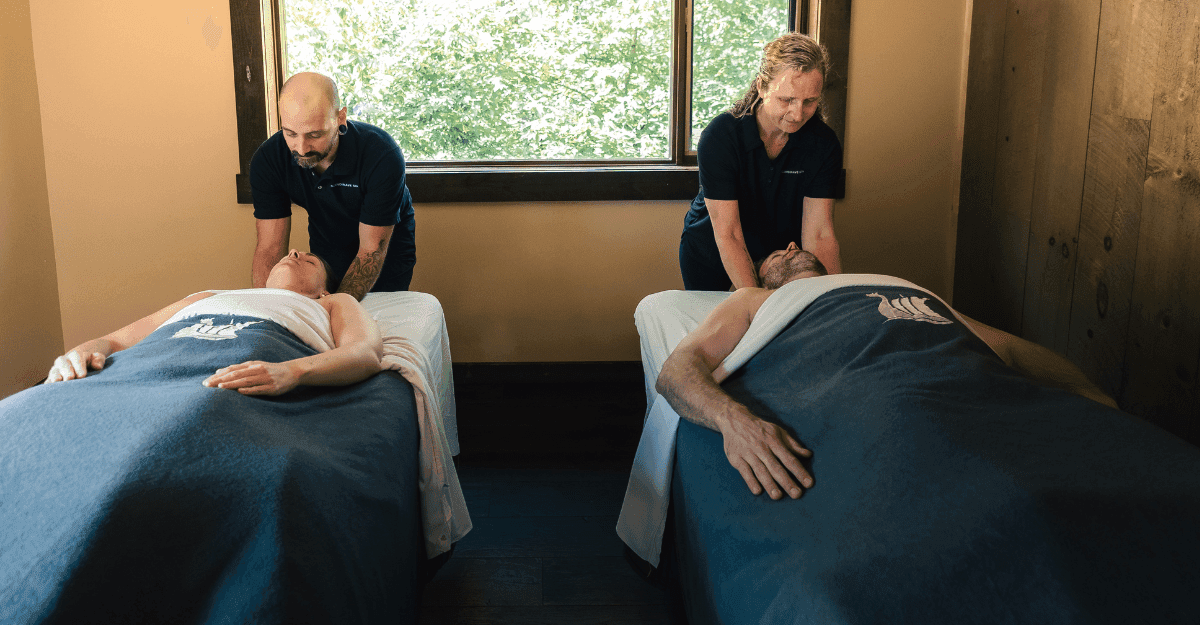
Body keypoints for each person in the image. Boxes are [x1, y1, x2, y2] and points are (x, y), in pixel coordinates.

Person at [657, 242, 1118, 501]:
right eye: (778, 252)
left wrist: (1085, 393)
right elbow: (677, 370)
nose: (792, 245)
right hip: (879, 399)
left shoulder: (897, 286)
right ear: (762, 279)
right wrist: (734, 422)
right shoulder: (756, 301)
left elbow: (1009, 350)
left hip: (968, 385)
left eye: (794, 244)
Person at [46, 249, 383, 395]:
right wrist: (79, 352)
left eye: (308, 260)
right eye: (290, 253)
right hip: (156, 362)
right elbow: (115, 342)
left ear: (322, 290)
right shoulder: (208, 295)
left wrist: (293, 371)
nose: (294, 253)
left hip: (248, 360)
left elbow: (365, 352)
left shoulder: (333, 303)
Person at [680, 32, 843, 291]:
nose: (798, 113)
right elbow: (729, 233)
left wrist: (831, 299)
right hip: (714, 248)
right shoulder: (721, 137)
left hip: (777, 253)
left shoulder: (822, 144)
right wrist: (755, 301)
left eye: (809, 101)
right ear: (761, 87)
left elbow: (820, 233)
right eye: (786, 99)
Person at [250, 72, 416, 300]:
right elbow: (270, 248)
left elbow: (370, 251)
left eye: (314, 135)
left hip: (383, 251)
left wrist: (333, 308)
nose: (302, 148)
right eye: (290, 134)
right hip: (325, 243)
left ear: (340, 118)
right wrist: (267, 311)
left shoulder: (381, 155)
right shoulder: (269, 160)